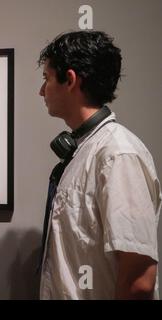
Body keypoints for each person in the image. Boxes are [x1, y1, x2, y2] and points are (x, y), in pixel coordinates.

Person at [38, 31, 161, 299]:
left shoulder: (118, 154)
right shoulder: (86, 150)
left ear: (69, 80)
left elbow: (139, 280)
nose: (41, 90)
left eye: (46, 79)